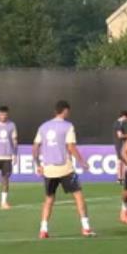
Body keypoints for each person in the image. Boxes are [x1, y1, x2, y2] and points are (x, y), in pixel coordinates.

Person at [33, 100, 95, 239]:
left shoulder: (43, 127)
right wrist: (82, 162)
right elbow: (71, 147)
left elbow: (35, 147)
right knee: (78, 196)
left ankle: (43, 230)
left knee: (49, 199)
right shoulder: (67, 126)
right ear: (65, 111)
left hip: (48, 169)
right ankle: (85, 227)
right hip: (65, 168)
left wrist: (38, 164)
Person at [113, 111, 127, 184]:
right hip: (120, 144)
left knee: (120, 161)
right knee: (122, 161)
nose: (126, 121)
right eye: (126, 119)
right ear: (124, 116)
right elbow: (120, 136)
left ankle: (120, 178)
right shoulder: (118, 124)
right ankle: (121, 178)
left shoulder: (118, 124)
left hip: (119, 144)